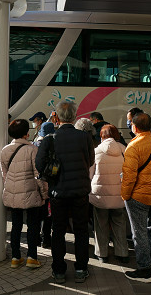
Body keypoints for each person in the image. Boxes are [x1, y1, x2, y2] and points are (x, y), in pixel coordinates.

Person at [36, 101, 94, 284]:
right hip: (80, 191)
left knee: (58, 230)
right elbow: (91, 161)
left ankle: (59, 270)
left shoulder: (50, 139)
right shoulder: (84, 137)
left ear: (57, 117)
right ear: (75, 116)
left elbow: (39, 164)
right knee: (81, 231)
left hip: (58, 192)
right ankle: (81, 269)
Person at [121, 112, 151, 282]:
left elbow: (129, 176)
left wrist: (125, 195)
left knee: (139, 232)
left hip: (139, 196)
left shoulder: (133, 146)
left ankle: (144, 269)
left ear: (134, 127)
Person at [0, 119, 47, 269]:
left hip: (13, 193)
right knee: (33, 226)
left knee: (16, 225)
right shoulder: (33, 149)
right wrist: (44, 194)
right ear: (26, 133)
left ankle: (15, 257)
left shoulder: (5, 150)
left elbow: (4, 175)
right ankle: (32, 257)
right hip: (31, 193)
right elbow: (38, 175)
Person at [89, 124, 129, 264]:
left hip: (100, 195)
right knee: (120, 223)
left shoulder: (96, 151)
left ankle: (102, 254)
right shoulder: (124, 150)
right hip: (119, 194)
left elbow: (90, 174)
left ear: (102, 136)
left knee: (101, 224)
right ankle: (122, 253)